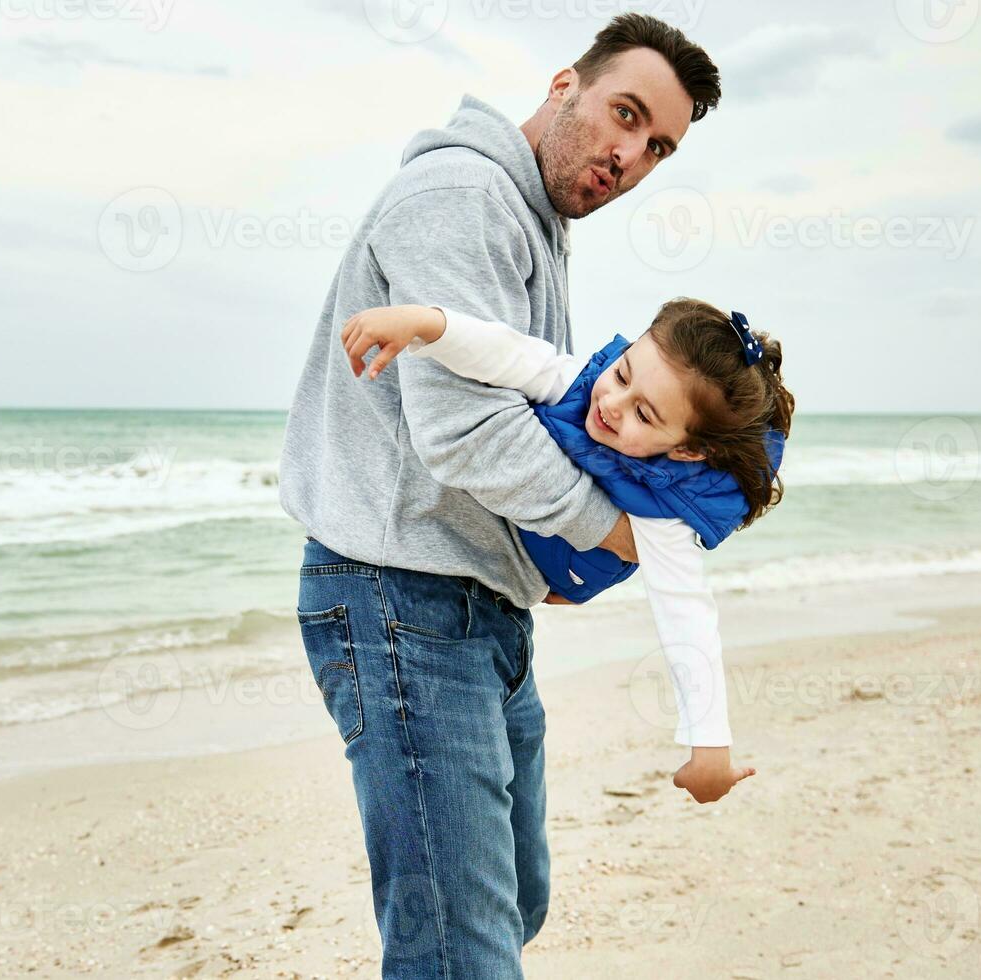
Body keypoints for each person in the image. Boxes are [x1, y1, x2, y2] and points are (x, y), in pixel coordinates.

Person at [278, 13, 724, 979]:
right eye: (624, 114)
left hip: (476, 602)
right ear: (565, 84)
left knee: (513, 901)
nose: (628, 154)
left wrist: (552, 558)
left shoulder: (533, 221)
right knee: (461, 949)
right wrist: (616, 537)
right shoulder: (464, 196)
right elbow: (465, 430)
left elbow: (533, 393)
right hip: (400, 596)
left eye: (656, 147)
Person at [339, 297, 794, 791]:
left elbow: (688, 618)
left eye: (644, 413)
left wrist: (711, 749)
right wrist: (426, 324)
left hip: (559, 578)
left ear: (686, 450)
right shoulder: (576, 384)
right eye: (622, 375)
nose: (612, 405)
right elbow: (504, 353)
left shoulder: (669, 516)